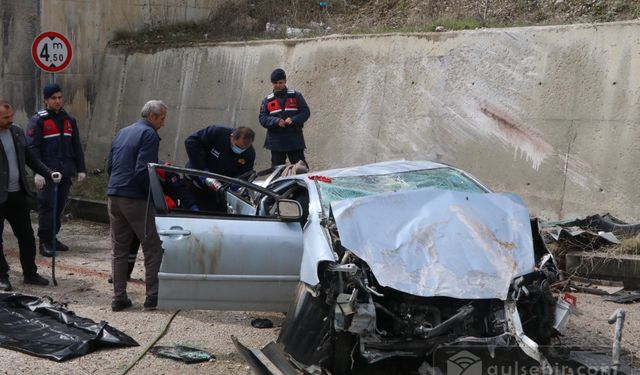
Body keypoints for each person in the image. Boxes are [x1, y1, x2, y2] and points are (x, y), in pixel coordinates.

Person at [106, 100, 166, 311]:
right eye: (162, 118)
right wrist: (156, 193)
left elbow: (110, 165)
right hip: (135, 197)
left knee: (119, 249)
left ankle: (118, 297)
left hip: (114, 194)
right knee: (152, 247)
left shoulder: (123, 131)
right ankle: (153, 297)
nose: (163, 123)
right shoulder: (149, 135)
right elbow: (143, 170)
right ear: (152, 116)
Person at [0, 100, 62, 291]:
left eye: (11, 116)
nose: (10, 120)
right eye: (5, 118)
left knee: (26, 236)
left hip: (17, 193)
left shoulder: (17, 132)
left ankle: (30, 273)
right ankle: (2, 276)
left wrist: (48, 173)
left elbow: (30, 158)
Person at [27, 83, 86, 257]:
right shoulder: (38, 121)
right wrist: (38, 172)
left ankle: (53, 236)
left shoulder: (69, 120)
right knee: (47, 207)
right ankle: (44, 241)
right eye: (53, 98)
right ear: (46, 100)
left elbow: (76, 146)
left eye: (60, 97)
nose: (58, 101)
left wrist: (80, 168)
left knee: (59, 206)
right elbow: (32, 150)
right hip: (47, 174)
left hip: (65, 172)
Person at [184, 126, 256, 211]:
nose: (239, 150)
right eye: (237, 146)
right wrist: (203, 171)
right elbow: (191, 142)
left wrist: (232, 187)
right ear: (231, 136)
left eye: (243, 149)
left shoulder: (249, 154)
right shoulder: (217, 133)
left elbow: (244, 174)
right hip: (195, 184)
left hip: (218, 193)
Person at [259, 68, 311, 167]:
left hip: (295, 141)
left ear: (285, 81)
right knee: (277, 172)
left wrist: (293, 119)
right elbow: (262, 118)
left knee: (301, 168)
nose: (278, 85)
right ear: (272, 83)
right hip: (276, 142)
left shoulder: (296, 96)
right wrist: (276, 121)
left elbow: (306, 112)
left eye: (280, 82)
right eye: (275, 83)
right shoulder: (267, 101)